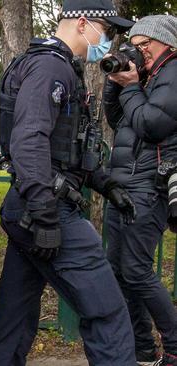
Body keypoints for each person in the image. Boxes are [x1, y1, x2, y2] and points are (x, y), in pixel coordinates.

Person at [0, 1, 140, 365]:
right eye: (108, 30)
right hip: (46, 208)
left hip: (33, 204)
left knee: (15, 319)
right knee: (108, 313)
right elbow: (29, 140)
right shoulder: (52, 67)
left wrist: (105, 185)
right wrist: (45, 212)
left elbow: (63, 148)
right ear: (83, 23)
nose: (110, 40)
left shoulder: (58, 65)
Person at [102, 14, 177, 366]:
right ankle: (141, 348)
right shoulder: (148, 77)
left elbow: (151, 124)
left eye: (146, 44)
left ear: (168, 45)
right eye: (136, 44)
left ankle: (175, 346)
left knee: (136, 271)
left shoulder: (173, 73)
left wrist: (132, 86)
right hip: (123, 186)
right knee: (119, 270)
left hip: (149, 188)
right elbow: (118, 119)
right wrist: (115, 81)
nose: (140, 51)